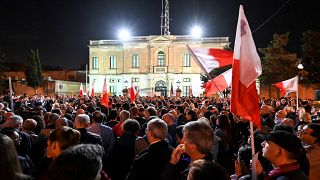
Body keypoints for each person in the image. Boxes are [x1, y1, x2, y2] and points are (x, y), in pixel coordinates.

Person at [162, 121, 226, 180]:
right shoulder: (215, 167)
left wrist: (172, 164)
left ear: (192, 147)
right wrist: (173, 162)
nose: (182, 141)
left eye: (184, 138)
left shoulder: (198, 174)